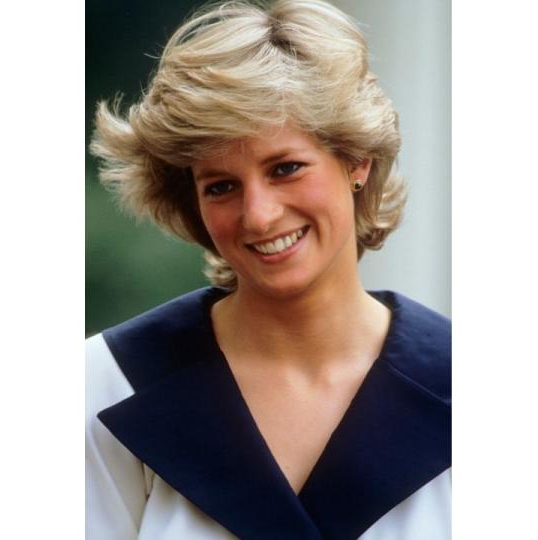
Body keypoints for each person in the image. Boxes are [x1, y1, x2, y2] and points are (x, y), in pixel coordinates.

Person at [86, 1, 450, 538]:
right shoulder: (103, 385)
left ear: (356, 161)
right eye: (221, 186)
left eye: (285, 168)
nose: (258, 215)